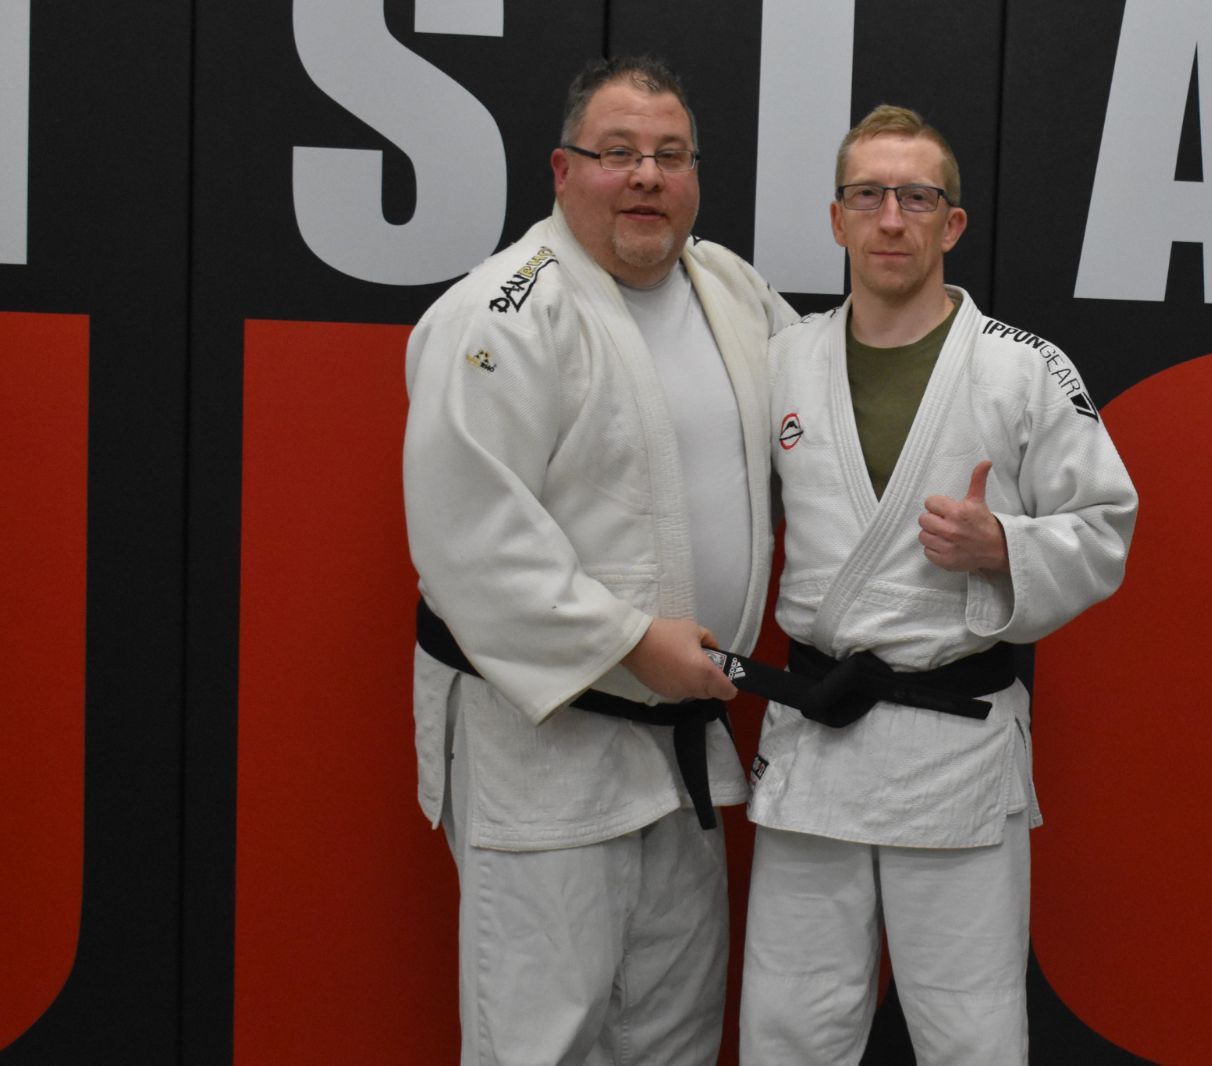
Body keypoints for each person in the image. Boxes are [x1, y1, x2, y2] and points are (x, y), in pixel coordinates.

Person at [402, 56, 795, 1066]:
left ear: (695, 174)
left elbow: (816, 427)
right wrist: (627, 641)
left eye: (670, 155)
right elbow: (470, 536)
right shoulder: (499, 313)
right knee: (542, 1036)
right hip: (545, 744)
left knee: (672, 1029)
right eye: (616, 153)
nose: (646, 176)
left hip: (681, 736)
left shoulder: (730, 288)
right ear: (562, 169)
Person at [738, 105, 1138, 1064]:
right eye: (868, 196)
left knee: (972, 1034)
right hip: (817, 740)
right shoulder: (780, 363)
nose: (891, 219)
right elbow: (727, 522)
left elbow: (1106, 526)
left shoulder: (1024, 369)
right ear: (836, 218)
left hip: (953, 747)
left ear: (951, 224)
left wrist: (1004, 545)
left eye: (916, 198)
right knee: (791, 1029)